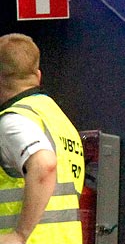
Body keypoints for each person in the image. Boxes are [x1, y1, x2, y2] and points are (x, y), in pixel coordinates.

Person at [0, 34, 85, 244]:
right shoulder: (60, 123)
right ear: (37, 76)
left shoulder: (13, 122)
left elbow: (44, 164)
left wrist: (20, 235)